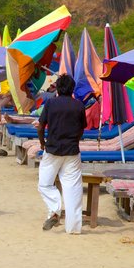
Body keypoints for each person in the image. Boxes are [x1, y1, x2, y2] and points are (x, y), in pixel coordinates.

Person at [37, 74, 86, 233]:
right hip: (72, 151)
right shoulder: (78, 106)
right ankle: (73, 228)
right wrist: (75, 141)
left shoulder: (51, 103)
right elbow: (81, 129)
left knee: (45, 184)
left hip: (52, 150)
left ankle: (55, 209)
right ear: (72, 89)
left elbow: (40, 126)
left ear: (57, 88)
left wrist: (42, 143)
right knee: (73, 189)